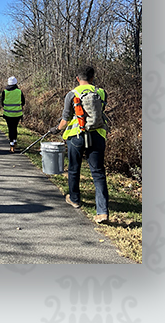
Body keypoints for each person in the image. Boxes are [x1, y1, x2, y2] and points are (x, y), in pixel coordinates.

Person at [49, 65, 110, 224]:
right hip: (97, 135)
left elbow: (66, 119)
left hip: (76, 136)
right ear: (93, 77)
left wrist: (56, 129)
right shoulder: (101, 92)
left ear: (77, 78)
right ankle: (102, 211)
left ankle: (75, 198)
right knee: (98, 172)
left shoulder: (72, 94)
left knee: (74, 168)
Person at [0, 76, 25, 153]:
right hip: (17, 114)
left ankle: (11, 144)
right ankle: (15, 141)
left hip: (8, 114)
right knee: (15, 128)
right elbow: (23, 102)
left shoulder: (5, 92)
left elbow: (2, 102)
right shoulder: (19, 92)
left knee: (10, 128)